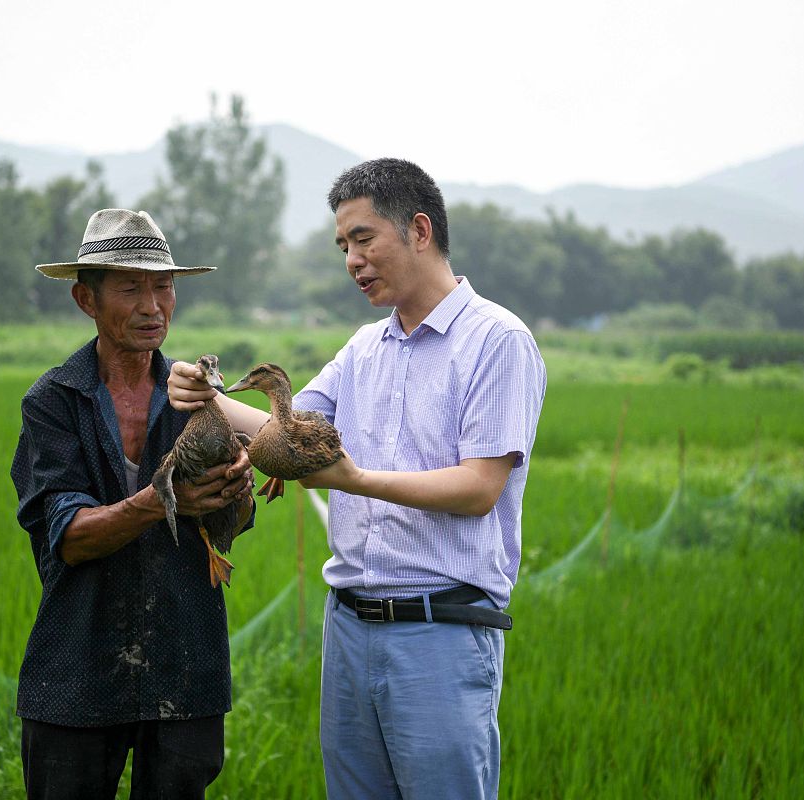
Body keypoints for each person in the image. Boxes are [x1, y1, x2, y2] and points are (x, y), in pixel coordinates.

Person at [168, 159, 546, 799]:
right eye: (343, 245)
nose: (352, 259)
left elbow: (481, 488)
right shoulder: (364, 348)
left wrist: (355, 479)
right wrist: (200, 391)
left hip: (441, 634)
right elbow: (284, 427)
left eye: (364, 239)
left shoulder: (496, 341)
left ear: (419, 230)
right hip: (348, 630)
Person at [10, 208, 254, 799]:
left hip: (185, 665)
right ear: (85, 301)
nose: (153, 306)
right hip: (77, 670)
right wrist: (162, 500)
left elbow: (233, 527)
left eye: (163, 286)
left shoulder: (199, 396)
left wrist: (236, 492)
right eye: (130, 289)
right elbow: (68, 537)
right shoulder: (54, 402)